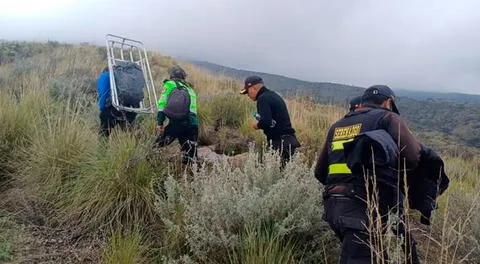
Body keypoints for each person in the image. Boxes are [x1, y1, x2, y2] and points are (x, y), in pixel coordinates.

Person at [314, 85, 421, 264]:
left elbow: (320, 172)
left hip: (334, 205)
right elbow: (412, 156)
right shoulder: (388, 117)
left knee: (373, 256)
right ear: (388, 102)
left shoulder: (337, 125)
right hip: (363, 208)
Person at [240, 75, 300, 168]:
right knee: (286, 176)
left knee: (276, 176)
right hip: (289, 142)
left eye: (247, 92)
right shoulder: (273, 95)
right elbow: (273, 120)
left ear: (253, 88)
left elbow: (266, 122)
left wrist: (257, 125)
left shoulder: (262, 98)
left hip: (279, 144)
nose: (248, 96)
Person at [155, 66, 199, 165]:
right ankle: (193, 176)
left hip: (178, 123)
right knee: (191, 157)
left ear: (172, 76)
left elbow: (162, 105)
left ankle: (149, 165)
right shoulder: (190, 89)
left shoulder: (170, 84)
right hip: (193, 124)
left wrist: (160, 122)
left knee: (157, 145)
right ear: (184, 77)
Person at [97, 66, 137, 137]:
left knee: (104, 132)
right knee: (129, 134)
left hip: (111, 108)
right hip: (129, 107)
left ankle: (102, 146)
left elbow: (103, 94)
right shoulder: (126, 78)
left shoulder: (105, 76)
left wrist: (102, 108)